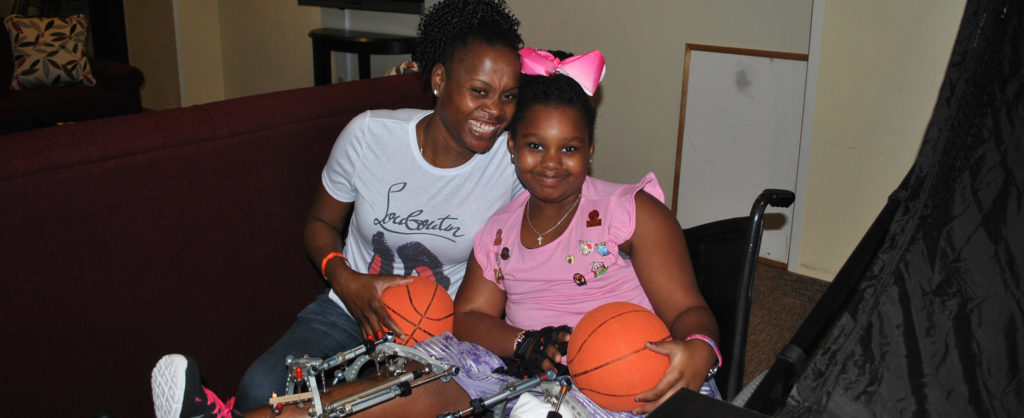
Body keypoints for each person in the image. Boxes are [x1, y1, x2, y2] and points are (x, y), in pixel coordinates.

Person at [231, 47, 721, 418]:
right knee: (397, 388)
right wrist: (524, 342)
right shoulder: (500, 230)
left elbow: (688, 308)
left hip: (627, 374)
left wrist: (700, 347)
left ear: (591, 150)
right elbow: (468, 317)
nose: (551, 163)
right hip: (524, 372)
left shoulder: (630, 210)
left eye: (569, 148)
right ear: (511, 148)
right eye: (534, 146)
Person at [210, 0, 525, 413]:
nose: (496, 111)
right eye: (479, 91)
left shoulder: (514, 162)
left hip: (436, 331)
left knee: (367, 405)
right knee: (261, 389)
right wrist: (344, 279)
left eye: (509, 96)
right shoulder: (370, 136)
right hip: (349, 309)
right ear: (439, 79)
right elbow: (320, 222)